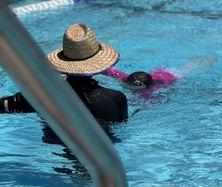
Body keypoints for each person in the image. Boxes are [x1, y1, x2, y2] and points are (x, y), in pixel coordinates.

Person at [0, 23, 128, 125]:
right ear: (98, 62)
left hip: (54, 151)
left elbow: (4, 106)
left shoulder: (41, 96)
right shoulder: (116, 99)